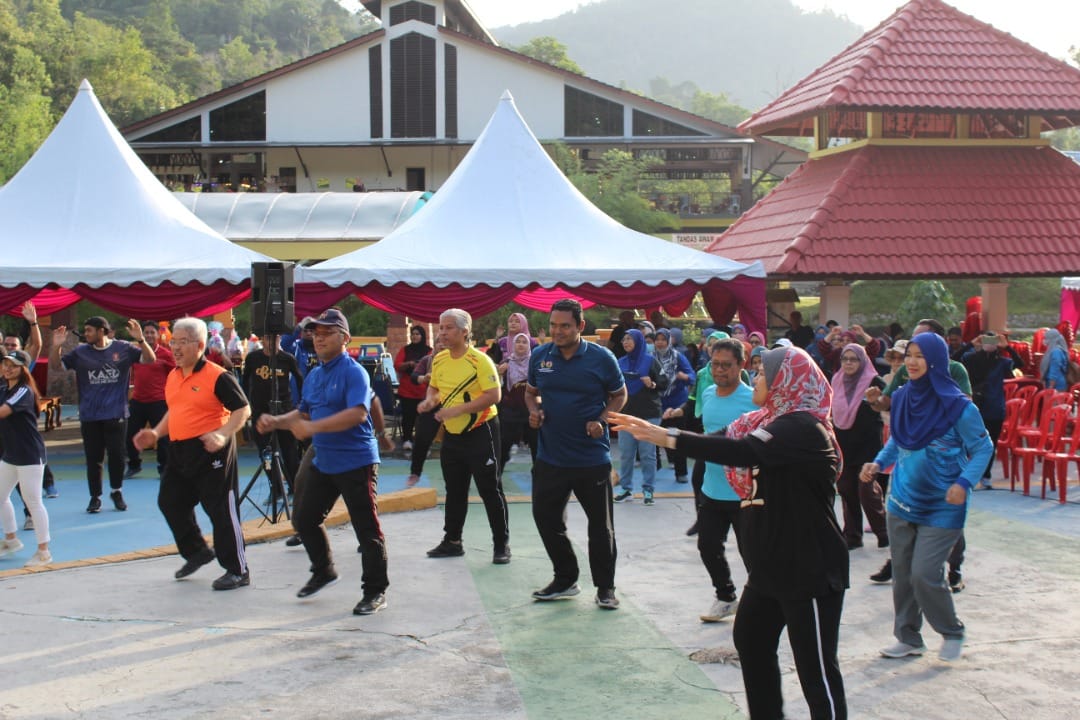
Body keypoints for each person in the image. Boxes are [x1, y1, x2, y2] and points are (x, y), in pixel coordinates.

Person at [610, 345, 848, 720]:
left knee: (816, 671)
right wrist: (660, 431)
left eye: (762, 372)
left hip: (809, 570)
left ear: (786, 380)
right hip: (771, 568)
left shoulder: (803, 427)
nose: (756, 378)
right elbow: (722, 439)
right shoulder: (763, 421)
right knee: (752, 640)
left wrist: (667, 439)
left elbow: (740, 452)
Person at [860, 333, 993, 663]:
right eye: (909, 355)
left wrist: (964, 482)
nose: (912, 361)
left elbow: (983, 447)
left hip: (943, 504)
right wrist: (878, 462)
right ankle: (908, 638)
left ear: (936, 361)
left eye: (921, 356)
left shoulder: (959, 406)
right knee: (903, 574)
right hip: (902, 498)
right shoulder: (904, 396)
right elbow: (900, 440)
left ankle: (951, 630)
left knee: (924, 573)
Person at [256, 308, 389, 615]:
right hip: (324, 458)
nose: (318, 338)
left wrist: (312, 428)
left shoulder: (354, 371)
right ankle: (324, 569)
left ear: (345, 338)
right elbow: (303, 413)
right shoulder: (315, 374)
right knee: (303, 519)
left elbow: (358, 413)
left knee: (366, 530)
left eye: (327, 333)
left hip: (356, 460)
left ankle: (375, 591)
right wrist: (277, 421)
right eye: (315, 333)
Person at [132, 318, 252, 591]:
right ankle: (197, 551)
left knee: (220, 510)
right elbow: (176, 410)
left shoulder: (217, 375)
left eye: (182, 342)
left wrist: (222, 434)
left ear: (199, 345)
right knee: (170, 501)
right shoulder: (174, 375)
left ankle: (237, 569)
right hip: (179, 449)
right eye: (172, 341)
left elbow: (243, 409)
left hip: (212, 448)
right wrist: (156, 433)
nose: (175, 347)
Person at [526, 298, 627, 609]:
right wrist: (534, 412)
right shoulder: (540, 356)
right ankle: (566, 577)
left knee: (600, 527)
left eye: (565, 326)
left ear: (580, 326)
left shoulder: (601, 358)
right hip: (550, 457)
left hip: (591, 460)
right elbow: (531, 393)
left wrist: (601, 421)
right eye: (554, 325)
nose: (558, 331)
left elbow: (620, 394)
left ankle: (605, 588)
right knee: (545, 518)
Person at [418, 309, 510, 564]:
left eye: (448, 328)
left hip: (482, 432)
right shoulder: (439, 360)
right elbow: (434, 388)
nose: (442, 333)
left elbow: (494, 395)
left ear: (464, 331)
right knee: (455, 490)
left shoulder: (480, 361)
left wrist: (458, 409)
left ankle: (501, 545)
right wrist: (429, 401)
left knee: (490, 489)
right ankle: (452, 541)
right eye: (440, 327)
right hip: (453, 434)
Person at [51, 316, 156, 513]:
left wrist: (141, 339)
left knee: (117, 456)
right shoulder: (80, 352)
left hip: (116, 414)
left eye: (90, 330)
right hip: (90, 415)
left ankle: (116, 491)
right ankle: (95, 497)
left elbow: (150, 359)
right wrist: (56, 346)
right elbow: (56, 366)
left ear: (102, 331)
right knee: (94, 458)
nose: (86, 333)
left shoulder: (123, 348)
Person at [691, 339, 757, 622]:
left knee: (752, 554)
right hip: (712, 489)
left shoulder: (754, 399)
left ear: (741, 365)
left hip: (745, 494)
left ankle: (762, 601)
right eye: (714, 364)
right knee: (707, 546)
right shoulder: (707, 393)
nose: (719, 371)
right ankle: (725, 595)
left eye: (726, 365)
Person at [831, 343, 888, 549]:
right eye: (844, 359)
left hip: (868, 446)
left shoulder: (873, 381)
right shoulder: (836, 380)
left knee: (866, 490)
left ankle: (883, 532)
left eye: (853, 359)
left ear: (862, 361)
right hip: (844, 444)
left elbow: (888, 402)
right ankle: (852, 536)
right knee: (846, 489)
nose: (848, 363)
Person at [0, 350, 52, 567]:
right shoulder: (3, 388)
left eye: (13, 365)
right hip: (11, 454)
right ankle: (11, 539)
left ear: (23, 369)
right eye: (5, 364)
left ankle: (44, 552)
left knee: (33, 502)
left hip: (30, 455)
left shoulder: (24, 390)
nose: (7, 368)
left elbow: (2, 412)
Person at [243, 332, 304, 497]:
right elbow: (244, 381)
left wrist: (300, 405)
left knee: (290, 453)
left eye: (276, 338)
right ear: (263, 339)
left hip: (284, 412)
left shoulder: (287, 358)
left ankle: (296, 489)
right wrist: (247, 405)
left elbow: (300, 380)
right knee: (266, 454)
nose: (271, 342)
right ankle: (276, 489)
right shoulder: (252, 358)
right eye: (268, 338)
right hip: (260, 413)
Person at [613, 329, 668, 504]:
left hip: (649, 414)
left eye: (629, 339)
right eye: (624, 339)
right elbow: (611, 384)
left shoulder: (650, 361)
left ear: (638, 341)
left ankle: (648, 490)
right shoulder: (619, 362)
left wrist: (651, 383)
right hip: (625, 415)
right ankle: (626, 489)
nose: (626, 342)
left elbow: (664, 383)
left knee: (647, 454)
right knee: (626, 453)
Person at [962, 332, 1020, 489]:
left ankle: (986, 476)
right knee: (969, 443)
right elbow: (953, 359)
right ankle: (969, 475)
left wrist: (1007, 347)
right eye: (985, 340)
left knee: (991, 444)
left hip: (994, 408)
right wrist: (971, 344)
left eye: (992, 340)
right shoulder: (971, 358)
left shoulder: (1002, 362)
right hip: (974, 408)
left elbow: (1020, 364)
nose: (989, 343)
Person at [125, 320, 175, 479]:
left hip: (159, 401)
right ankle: (134, 465)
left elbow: (175, 375)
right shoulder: (135, 353)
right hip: (138, 400)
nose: (149, 335)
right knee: (130, 434)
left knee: (162, 437)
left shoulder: (166, 354)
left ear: (158, 334)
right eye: (146, 332)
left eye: (152, 332)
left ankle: (164, 468)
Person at [655, 328, 695, 484]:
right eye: (657, 339)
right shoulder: (650, 358)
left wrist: (683, 376)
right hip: (657, 404)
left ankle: (681, 472)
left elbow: (692, 376)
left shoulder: (678, 357)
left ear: (668, 341)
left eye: (663, 339)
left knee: (676, 438)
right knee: (657, 436)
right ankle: (654, 470)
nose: (660, 342)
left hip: (676, 404)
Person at [405, 337, 443, 487]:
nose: (442, 345)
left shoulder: (457, 360)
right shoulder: (427, 360)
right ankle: (415, 472)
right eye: (440, 342)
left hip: (455, 404)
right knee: (422, 438)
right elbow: (414, 377)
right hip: (431, 403)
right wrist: (424, 378)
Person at [496, 332, 537, 472]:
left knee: (537, 451)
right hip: (510, 413)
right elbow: (497, 386)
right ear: (512, 345)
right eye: (517, 341)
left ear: (529, 346)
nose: (520, 344)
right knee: (502, 448)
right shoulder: (505, 364)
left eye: (524, 342)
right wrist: (500, 373)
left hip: (531, 412)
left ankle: (540, 482)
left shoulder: (535, 364)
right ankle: (496, 481)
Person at [394, 324, 432, 452]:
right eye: (413, 334)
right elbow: (397, 365)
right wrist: (409, 364)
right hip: (407, 390)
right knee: (408, 416)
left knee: (423, 418)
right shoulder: (405, 350)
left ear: (423, 336)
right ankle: (407, 440)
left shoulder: (429, 351)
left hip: (424, 391)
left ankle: (422, 442)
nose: (415, 336)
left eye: (417, 334)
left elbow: (433, 366)